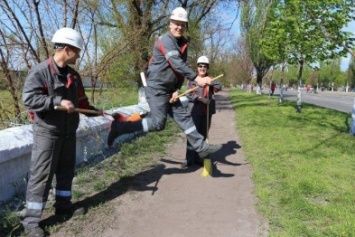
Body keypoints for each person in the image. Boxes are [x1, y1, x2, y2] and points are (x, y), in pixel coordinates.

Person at [107, 7, 222, 160]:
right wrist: (197, 78)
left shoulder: (183, 44)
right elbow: (176, 63)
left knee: (184, 118)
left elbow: (179, 71)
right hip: (156, 88)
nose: (179, 27)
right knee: (158, 123)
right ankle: (119, 127)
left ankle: (201, 148)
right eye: (176, 23)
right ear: (170, 23)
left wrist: (176, 89)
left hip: (169, 89)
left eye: (182, 24)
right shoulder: (165, 40)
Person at [21, 27, 103, 237]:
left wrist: (96, 112)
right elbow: (29, 99)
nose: (79, 55)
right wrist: (56, 101)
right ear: (66, 49)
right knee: (42, 176)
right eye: (77, 51)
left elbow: (82, 102)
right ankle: (31, 221)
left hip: (69, 132)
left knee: (66, 171)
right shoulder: (40, 72)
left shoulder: (73, 76)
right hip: (48, 133)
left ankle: (63, 207)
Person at [182, 56, 222, 168]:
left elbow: (219, 86)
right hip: (195, 111)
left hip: (207, 113)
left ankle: (198, 157)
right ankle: (188, 159)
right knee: (192, 135)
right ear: (197, 67)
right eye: (200, 66)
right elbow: (188, 94)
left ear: (207, 68)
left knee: (203, 135)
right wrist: (200, 99)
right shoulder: (192, 79)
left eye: (204, 66)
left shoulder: (211, 78)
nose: (202, 68)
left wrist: (210, 83)